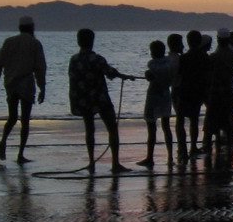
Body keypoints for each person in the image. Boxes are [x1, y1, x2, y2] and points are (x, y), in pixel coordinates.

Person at [67, 28, 139, 173]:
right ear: (92, 41)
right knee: (112, 128)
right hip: (100, 98)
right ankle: (115, 163)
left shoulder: (74, 59)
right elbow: (110, 72)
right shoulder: (97, 59)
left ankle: (92, 162)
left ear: (78, 41)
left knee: (89, 130)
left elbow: (73, 81)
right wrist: (124, 76)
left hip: (84, 100)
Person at [0, 15, 47, 163]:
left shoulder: (9, 42)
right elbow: (40, 67)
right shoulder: (35, 44)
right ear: (32, 28)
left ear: (20, 28)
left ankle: (3, 141)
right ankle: (20, 154)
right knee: (25, 121)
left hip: (11, 84)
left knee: (12, 118)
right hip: (26, 84)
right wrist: (42, 87)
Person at [138, 40, 175, 169]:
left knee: (152, 128)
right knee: (166, 126)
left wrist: (149, 75)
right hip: (165, 95)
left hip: (153, 96)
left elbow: (152, 75)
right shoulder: (169, 63)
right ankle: (170, 156)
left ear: (153, 52)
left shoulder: (152, 64)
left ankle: (150, 157)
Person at [174, 30, 210, 159]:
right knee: (194, 120)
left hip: (184, 90)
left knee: (180, 120)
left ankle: (182, 148)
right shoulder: (205, 57)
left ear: (188, 42)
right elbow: (207, 76)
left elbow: (179, 75)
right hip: (198, 91)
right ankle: (193, 147)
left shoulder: (183, 58)